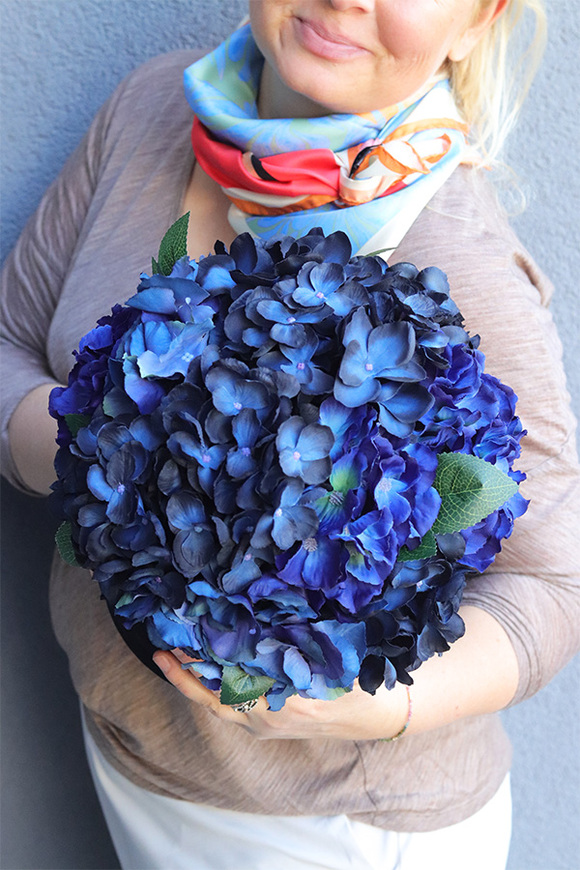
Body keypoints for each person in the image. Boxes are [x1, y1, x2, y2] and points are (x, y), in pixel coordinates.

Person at [1, 1, 579, 868]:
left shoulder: (460, 252)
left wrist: (379, 705)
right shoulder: (149, 111)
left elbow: (554, 586)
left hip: (333, 828)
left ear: (476, 19)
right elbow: (10, 343)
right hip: (132, 761)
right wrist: (109, 453)